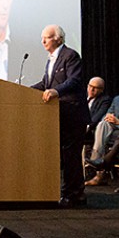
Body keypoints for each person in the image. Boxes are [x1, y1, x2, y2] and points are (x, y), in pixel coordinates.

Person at [31, 25, 90, 207]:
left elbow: (74, 80)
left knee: (71, 155)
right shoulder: (51, 60)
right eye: (42, 38)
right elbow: (45, 83)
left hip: (73, 113)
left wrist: (55, 91)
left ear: (58, 38)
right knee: (63, 155)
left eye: (47, 38)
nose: (43, 41)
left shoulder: (70, 55)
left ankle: (74, 195)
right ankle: (67, 192)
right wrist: (25, 90)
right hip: (59, 114)